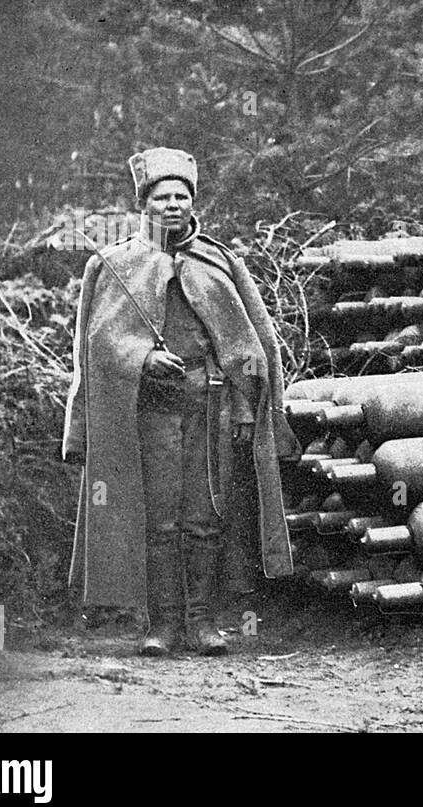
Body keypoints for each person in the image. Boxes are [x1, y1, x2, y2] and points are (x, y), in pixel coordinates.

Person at [62, 147, 300, 655]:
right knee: (158, 517)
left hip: (209, 407)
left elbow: (252, 344)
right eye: (162, 197)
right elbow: (96, 347)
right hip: (146, 412)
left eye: (182, 196)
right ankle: (162, 625)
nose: (173, 205)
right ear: (143, 204)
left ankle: (202, 622)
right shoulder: (114, 264)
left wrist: (244, 408)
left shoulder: (219, 261)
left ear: (193, 202)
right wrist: (142, 359)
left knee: (205, 516)